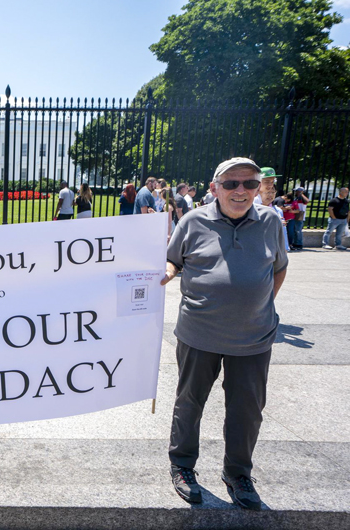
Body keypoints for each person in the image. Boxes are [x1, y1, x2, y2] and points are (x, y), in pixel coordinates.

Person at [161, 157, 287, 512]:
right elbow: (175, 260)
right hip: (199, 333)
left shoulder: (270, 223)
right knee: (189, 402)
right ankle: (182, 466)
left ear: (258, 187)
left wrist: (258, 305)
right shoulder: (193, 221)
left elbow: (279, 269)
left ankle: (238, 473)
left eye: (249, 183)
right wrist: (168, 273)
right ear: (215, 187)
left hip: (253, 337)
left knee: (247, 410)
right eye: (231, 184)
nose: (240, 191)